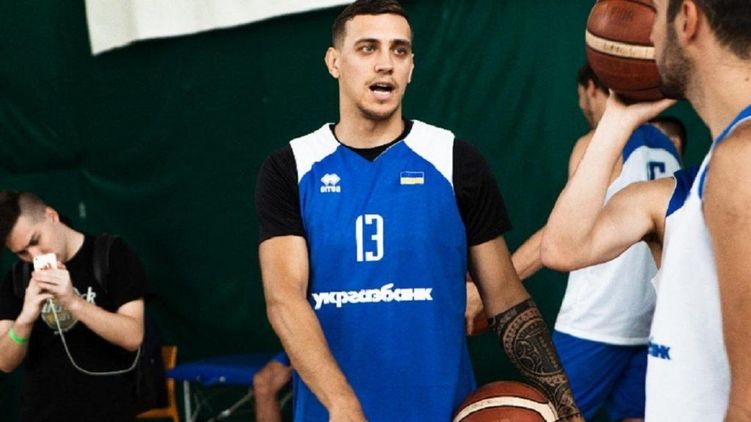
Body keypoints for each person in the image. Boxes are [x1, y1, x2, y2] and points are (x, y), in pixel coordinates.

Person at [254, 1, 582, 420]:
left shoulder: (455, 161)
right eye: (368, 48)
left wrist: (568, 407)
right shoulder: (291, 167)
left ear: (410, 68)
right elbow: (284, 298)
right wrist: (341, 402)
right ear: (334, 62)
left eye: (400, 50)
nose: (385, 63)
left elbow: (505, 299)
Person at [542, 0, 751, 419]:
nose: (650, 35)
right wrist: (617, 120)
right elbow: (563, 249)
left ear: (687, 20)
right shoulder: (689, 185)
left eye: (654, 12)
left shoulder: (742, 159)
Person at [502, 64, 683, 422]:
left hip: (596, 322)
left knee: (552, 416)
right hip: (650, 324)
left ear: (590, 88)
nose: (581, 104)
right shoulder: (668, 146)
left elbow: (561, 235)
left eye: (580, 96)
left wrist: (496, 286)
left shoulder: (595, 145)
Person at [0, 191, 147, 421]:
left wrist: (72, 302)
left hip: (108, 408)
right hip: (42, 412)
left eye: (35, 241)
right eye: (22, 252)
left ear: (51, 216)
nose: (35, 256)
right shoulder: (18, 277)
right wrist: (25, 319)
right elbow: (4, 362)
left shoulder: (109, 254)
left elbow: (133, 336)